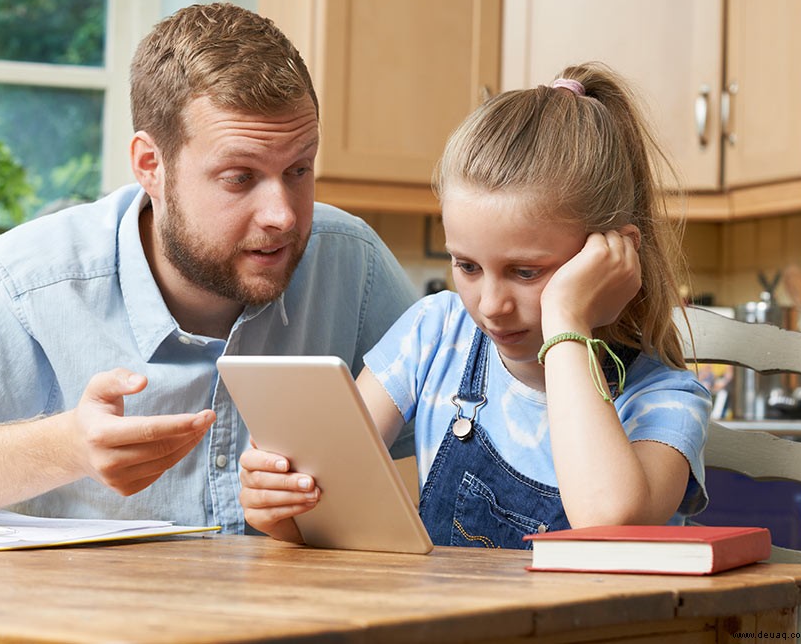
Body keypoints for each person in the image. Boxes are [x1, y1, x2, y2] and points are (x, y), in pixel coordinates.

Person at [0, 2, 417, 532]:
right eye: (240, 177)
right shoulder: (31, 282)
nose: (283, 216)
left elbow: (459, 449)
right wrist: (67, 447)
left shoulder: (353, 263)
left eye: (299, 170)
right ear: (149, 165)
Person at [239, 63, 711, 548]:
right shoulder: (434, 333)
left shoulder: (666, 400)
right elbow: (327, 500)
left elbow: (606, 519)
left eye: (526, 272)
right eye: (466, 266)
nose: (490, 305)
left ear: (611, 257)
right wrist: (280, 508)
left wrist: (566, 320)